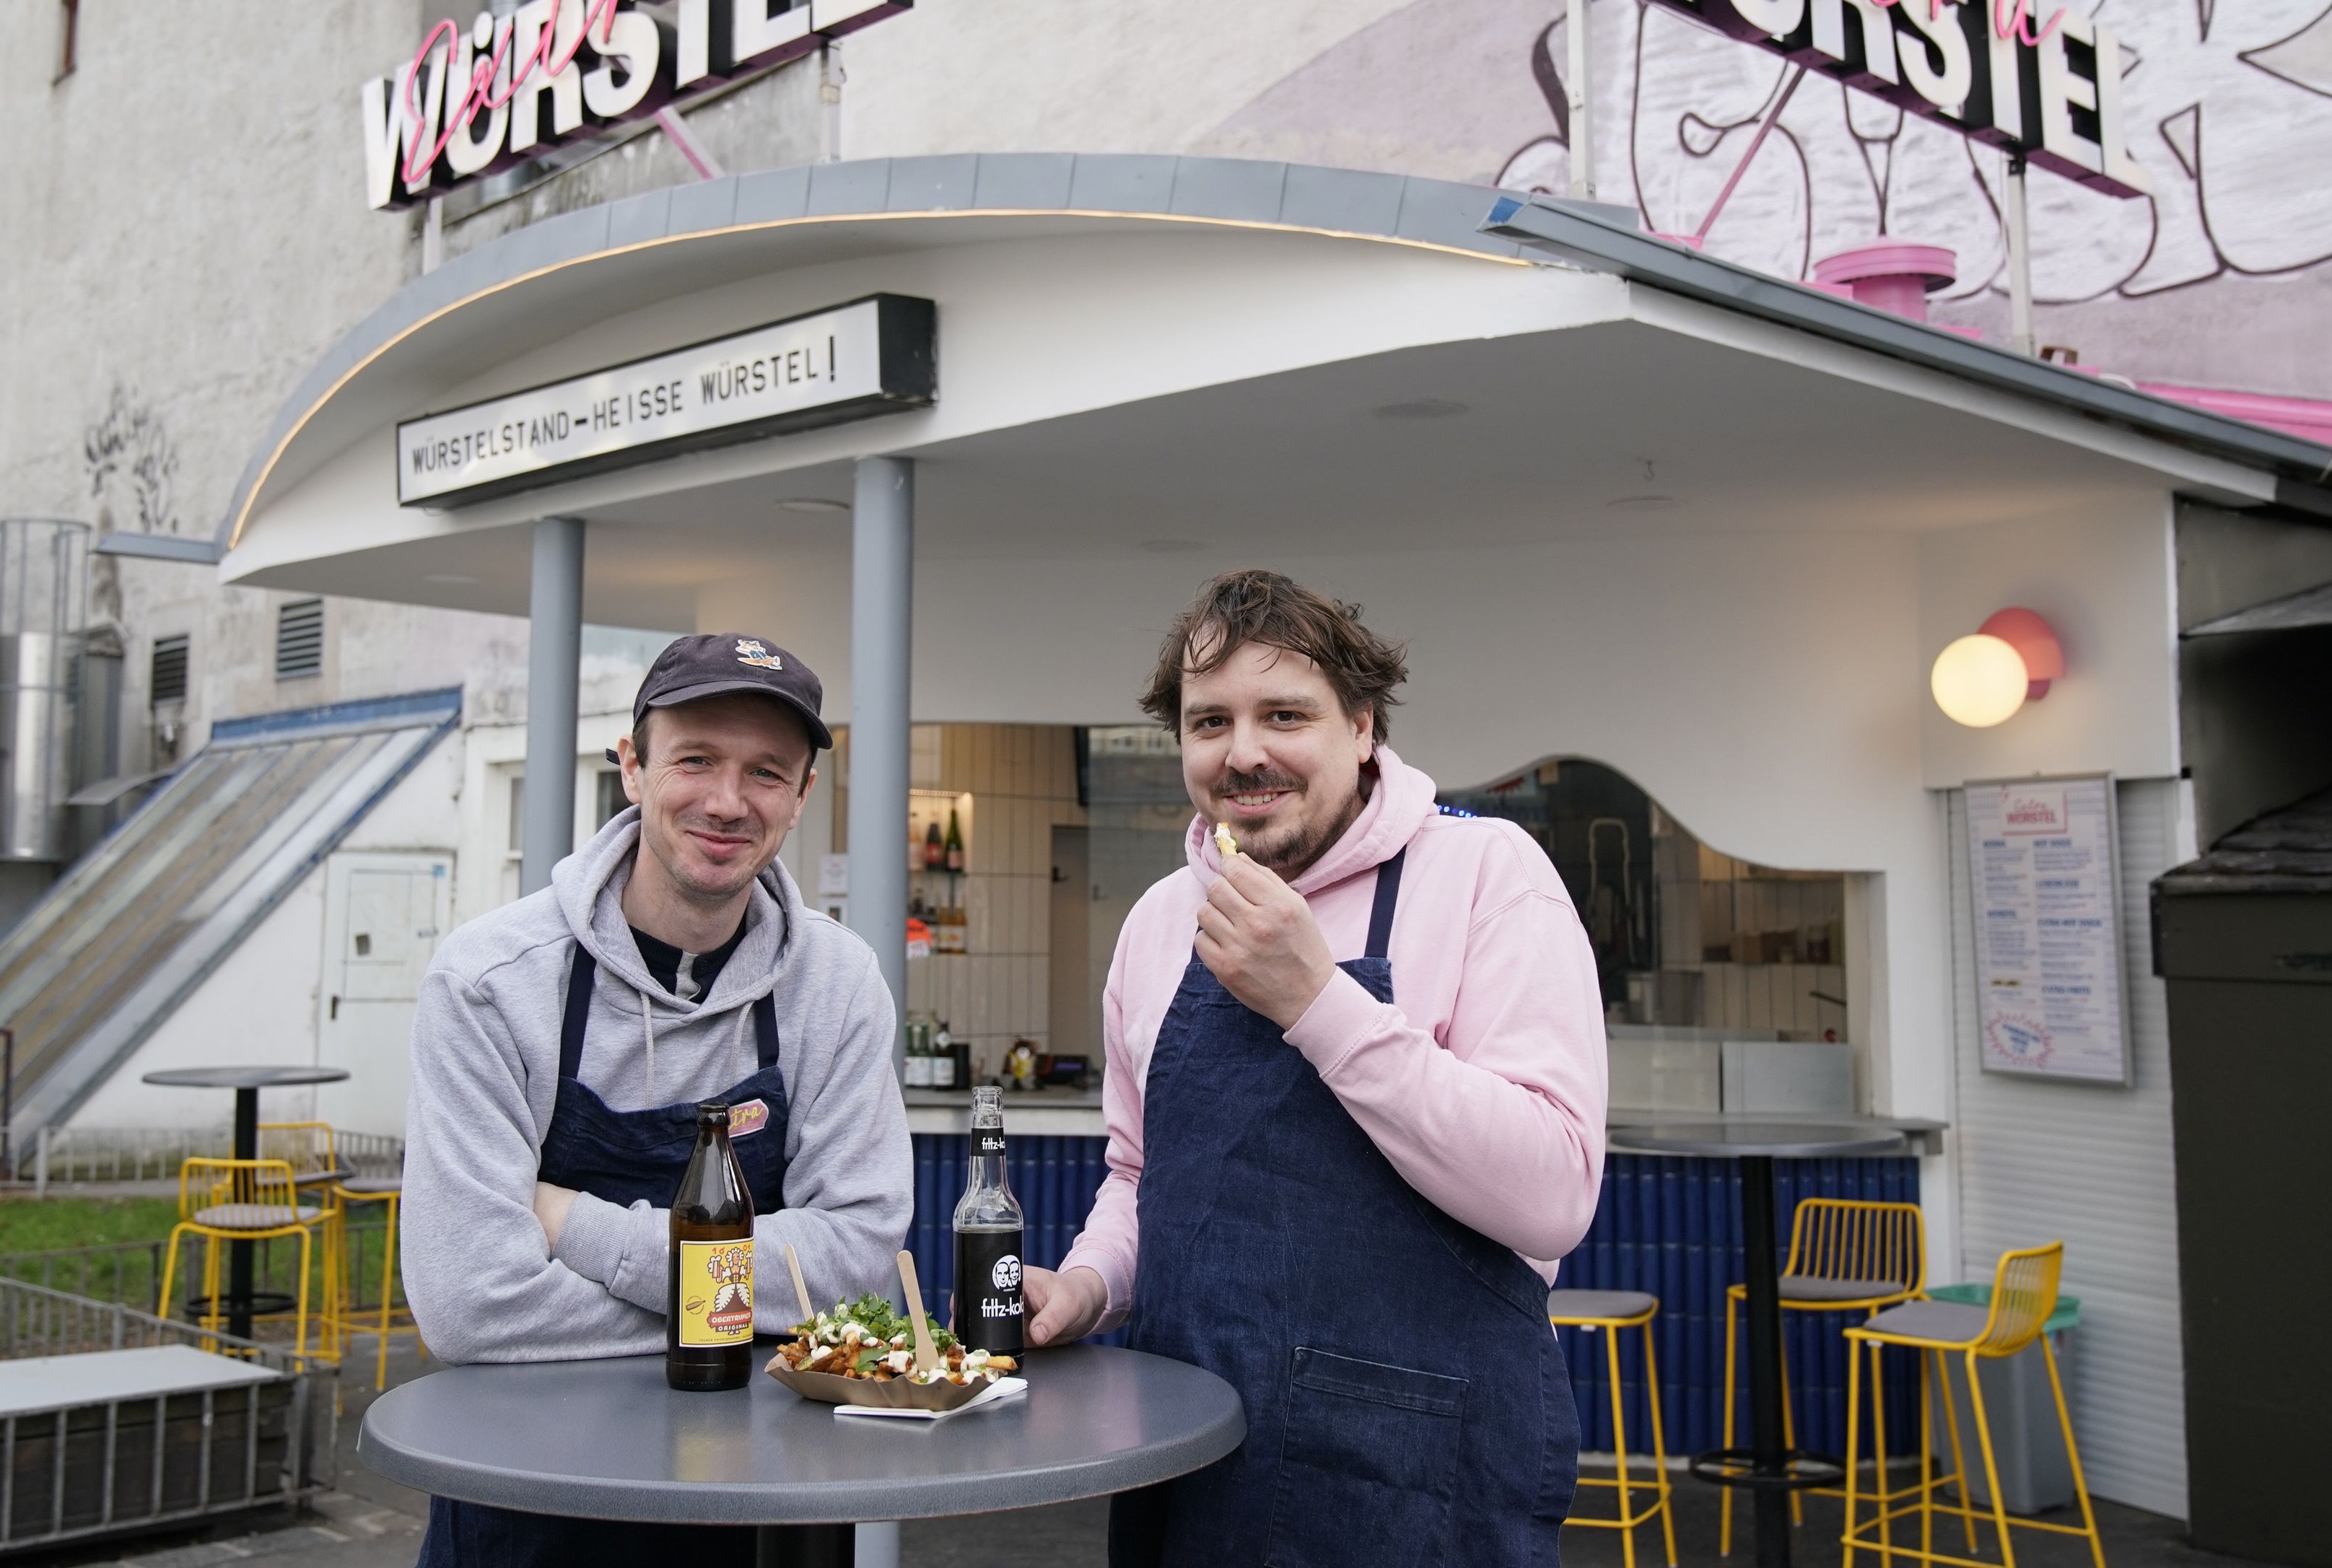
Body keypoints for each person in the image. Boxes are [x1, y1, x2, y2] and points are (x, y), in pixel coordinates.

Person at [1023, 571, 1609, 1568]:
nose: (1244, 752)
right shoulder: (1161, 923)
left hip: (1422, 1480)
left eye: (1284, 714)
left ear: (1364, 726)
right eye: (1211, 722)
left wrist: (1320, 1003)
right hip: (1196, 1466)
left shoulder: (1485, 876)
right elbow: (1140, 1177)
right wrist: (1088, 1286)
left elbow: (1554, 1194)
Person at [403, 631, 909, 1567]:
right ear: (632, 767)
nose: (727, 801)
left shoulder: (837, 985)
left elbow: (856, 1272)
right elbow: (470, 1305)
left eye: (766, 772)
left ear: (800, 799)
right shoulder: (491, 983)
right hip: (531, 1505)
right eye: (696, 759)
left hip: (768, 1508)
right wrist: (755, 1313)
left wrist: (573, 1229)